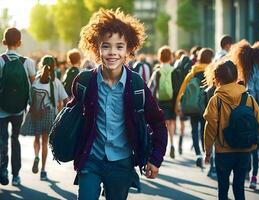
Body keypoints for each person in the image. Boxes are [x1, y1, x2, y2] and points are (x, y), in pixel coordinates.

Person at [68, 8, 167, 200]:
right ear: (96, 49)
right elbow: (72, 115)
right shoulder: (85, 81)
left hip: (122, 163)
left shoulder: (137, 85)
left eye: (119, 47)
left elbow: (158, 122)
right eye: (106, 46)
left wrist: (155, 159)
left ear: (129, 50)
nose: (112, 52)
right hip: (91, 160)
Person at [204, 60, 259, 200]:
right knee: (239, 188)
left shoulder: (216, 100)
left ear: (217, 79)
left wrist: (208, 151)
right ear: (237, 76)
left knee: (223, 188)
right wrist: (255, 145)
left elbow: (210, 128)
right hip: (244, 150)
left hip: (223, 151)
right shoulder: (249, 98)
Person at [21, 55, 68, 181]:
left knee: (36, 138)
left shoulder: (35, 80)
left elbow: (30, 99)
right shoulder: (56, 82)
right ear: (54, 67)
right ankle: (43, 170)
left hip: (35, 113)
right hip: (49, 114)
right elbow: (65, 99)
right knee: (45, 142)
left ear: (41, 65)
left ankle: (36, 156)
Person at [0, 27, 36, 186]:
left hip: (1, 108)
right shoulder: (27, 62)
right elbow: (33, 86)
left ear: (4, 42)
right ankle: (16, 175)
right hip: (19, 109)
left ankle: (2, 169)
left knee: (2, 140)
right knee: (15, 139)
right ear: (20, 42)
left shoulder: (0, 61)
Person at [230, 39, 259, 189]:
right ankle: (253, 177)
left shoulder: (240, 70)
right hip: (257, 112)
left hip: (243, 113)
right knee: (258, 144)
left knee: (246, 144)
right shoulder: (257, 72)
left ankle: (246, 171)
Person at [175, 48, 214, 168]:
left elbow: (183, 89)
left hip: (192, 107)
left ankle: (198, 154)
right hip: (206, 106)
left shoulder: (193, 71)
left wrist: (178, 106)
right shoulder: (212, 71)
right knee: (204, 130)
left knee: (194, 130)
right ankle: (206, 152)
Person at [148, 46, 176, 159]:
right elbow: (177, 88)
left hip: (159, 102)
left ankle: (161, 148)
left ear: (160, 57)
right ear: (170, 57)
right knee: (171, 123)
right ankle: (172, 144)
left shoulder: (157, 71)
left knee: (160, 125)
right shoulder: (174, 71)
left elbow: (151, 88)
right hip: (171, 101)